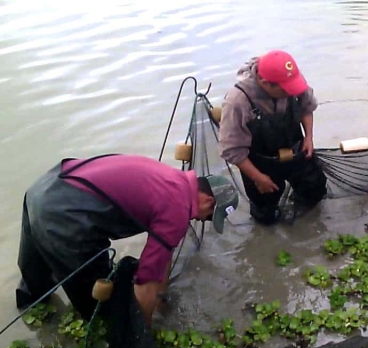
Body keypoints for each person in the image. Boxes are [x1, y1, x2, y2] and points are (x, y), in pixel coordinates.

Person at [15, 154, 239, 327]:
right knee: (99, 305)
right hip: (66, 214)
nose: (201, 220)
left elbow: (163, 254)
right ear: (209, 201)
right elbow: (146, 279)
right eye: (209, 217)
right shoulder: (178, 208)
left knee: (35, 280)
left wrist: (160, 295)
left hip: (45, 188)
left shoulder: (173, 180)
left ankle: (34, 319)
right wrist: (144, 331)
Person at [218, 49, 327, 225]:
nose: (292, 91)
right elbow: (232, 150)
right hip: (258, 161)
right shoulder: (237, 101)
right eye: (286, 90)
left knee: (315, 189)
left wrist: (309, 137)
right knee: (265, 212)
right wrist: (257, 177)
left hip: (295, 147)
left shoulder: (290, 77)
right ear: (265, 82)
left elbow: (307, 107)